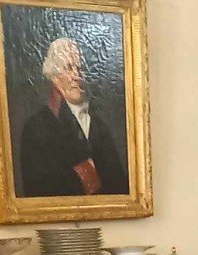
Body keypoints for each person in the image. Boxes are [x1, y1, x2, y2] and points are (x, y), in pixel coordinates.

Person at [18, 37, 129, 198]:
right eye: (69, 68)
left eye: (80, 68)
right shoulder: (36, 127)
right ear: (55, 77)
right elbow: (38, 189)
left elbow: (119, 186)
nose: (76, 75)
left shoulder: (99, 125)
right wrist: (88, 173)